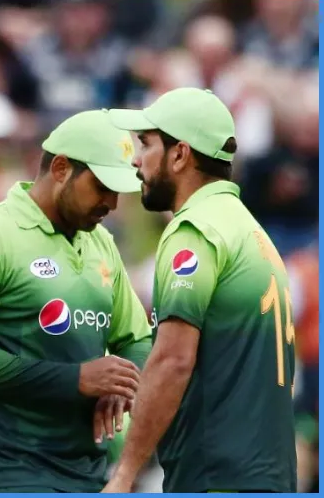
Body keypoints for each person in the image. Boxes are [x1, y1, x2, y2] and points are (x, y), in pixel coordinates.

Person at [0, 109, 152, 493]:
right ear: (62, 168)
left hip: (87, 469)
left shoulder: (101, 243)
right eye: (102, 186)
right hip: (7, 469)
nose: (113, 203)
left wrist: (121, 385)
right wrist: (75, 379)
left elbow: (136, 339)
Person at [102, 87, 297, 493]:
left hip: (215, 475)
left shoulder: (195, 230)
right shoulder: (249, 231)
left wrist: (124, 474)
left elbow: (172, 361)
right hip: (268, 476)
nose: (136, 160)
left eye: (146, 143)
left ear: (179, 155)